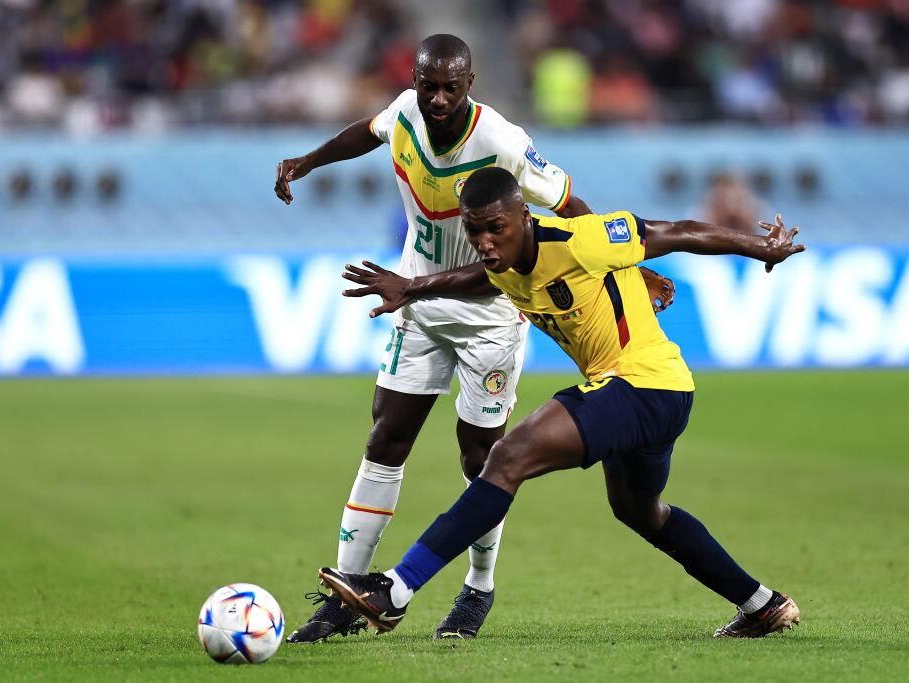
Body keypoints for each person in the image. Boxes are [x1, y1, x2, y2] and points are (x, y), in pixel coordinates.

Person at [274, 34, 673, 642]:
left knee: (480, 457)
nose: (436, 99)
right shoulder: (405, 110)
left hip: (491, 312)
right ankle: (343, 598)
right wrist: (307, 161)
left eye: (449, 88)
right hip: (418, 297)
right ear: (414, 79)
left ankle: (477, 589)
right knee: (386, 436)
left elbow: (570, 205)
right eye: (427, 85)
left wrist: (627, 266)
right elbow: (367, 130)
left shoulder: (503, 143)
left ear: (469, 85)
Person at [324, 167, 805, 638]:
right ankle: (762, 605)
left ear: (525, 218)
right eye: (475, 231)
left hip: (643, 383)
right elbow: (479, 278)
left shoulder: (580, 239)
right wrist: (411, 287)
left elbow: (673, 231)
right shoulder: (504, 264)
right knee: (641, 512)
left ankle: (396, 589)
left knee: (508, 457)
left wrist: (762, 247)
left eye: (497, 229)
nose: (487, 242)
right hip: (652, 397)